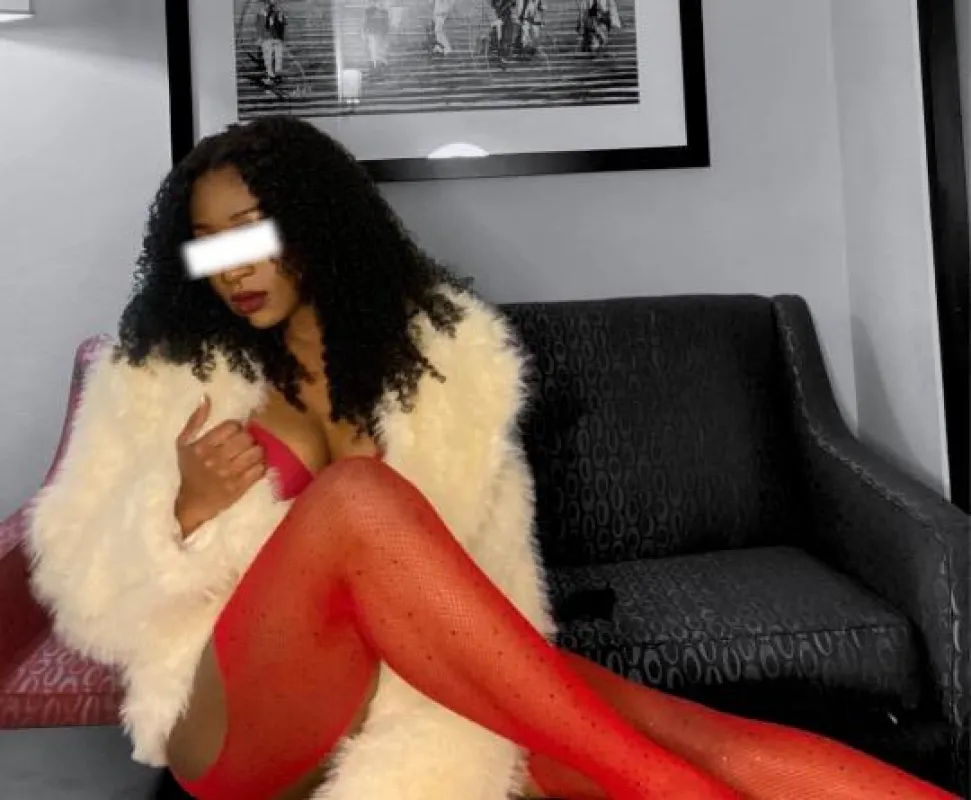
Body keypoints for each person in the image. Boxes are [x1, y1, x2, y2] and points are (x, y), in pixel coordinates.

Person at [26, 116, 959, 800]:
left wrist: (509, 703)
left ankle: (668, 776)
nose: (231, 265)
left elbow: (486, 572)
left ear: (317, 223)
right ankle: (666, 788)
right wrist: (182, 509)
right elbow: (76, 575)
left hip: (410, 696)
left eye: (253, 229)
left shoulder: (443, 369)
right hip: (235, 720)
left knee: (695, 731)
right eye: (207, 244)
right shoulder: (163, 377)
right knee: (356, 497)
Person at [257, 0, 287, 85]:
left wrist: (260, 37)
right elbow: (283, 24)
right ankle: (276, 75)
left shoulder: (263, 12)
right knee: (277, 58)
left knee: (269, 58)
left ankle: (272, 76)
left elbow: (261, 26)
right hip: (276, 38)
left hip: (269, 38)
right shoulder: (279, 11)